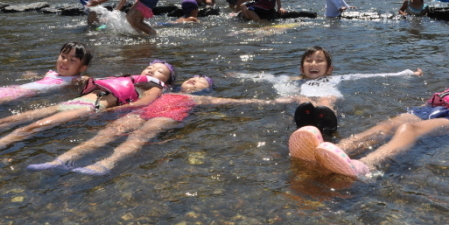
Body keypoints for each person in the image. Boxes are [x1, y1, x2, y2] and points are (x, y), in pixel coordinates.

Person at [289, 46, 449, 179]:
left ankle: (367, 165)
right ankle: (334, 152)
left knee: (407, 128)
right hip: (431, 111)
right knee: (387, 124)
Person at [0, 61, 176, 168]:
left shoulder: (152, 87)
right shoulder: (131, 76)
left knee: (26, 129)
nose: (152, 71)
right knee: (7, 121)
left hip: (92, 107)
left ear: (166, 80)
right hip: (77, 102)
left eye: (159, 70)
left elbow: (139, 105)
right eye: (150, 67)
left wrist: (102, 113)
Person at [28, 76, 295, 175]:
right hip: (146, 110)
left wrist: (274, 101)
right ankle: (64, 160)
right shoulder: (161, 92)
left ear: (206, 89)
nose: (192, 81)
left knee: (141, 135)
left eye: (199, 80)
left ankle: (106, 164)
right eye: (190, 78)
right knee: (108, 132)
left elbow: (235, 101)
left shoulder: (195, 99)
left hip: (167, 116)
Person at [238, 46, 422, 141]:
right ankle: (305, 118)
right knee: (300, 99)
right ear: (302, 67)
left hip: (328, 98)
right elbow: (267, 77)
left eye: (319, 61)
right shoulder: (297, 80)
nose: (314, 64)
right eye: (309, 61)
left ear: (329, 69)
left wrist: (407, 73)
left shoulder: (335, 78)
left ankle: (327, 121)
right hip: (306, 101)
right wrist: (239, 75)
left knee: (327, 99)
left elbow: (371, 74)